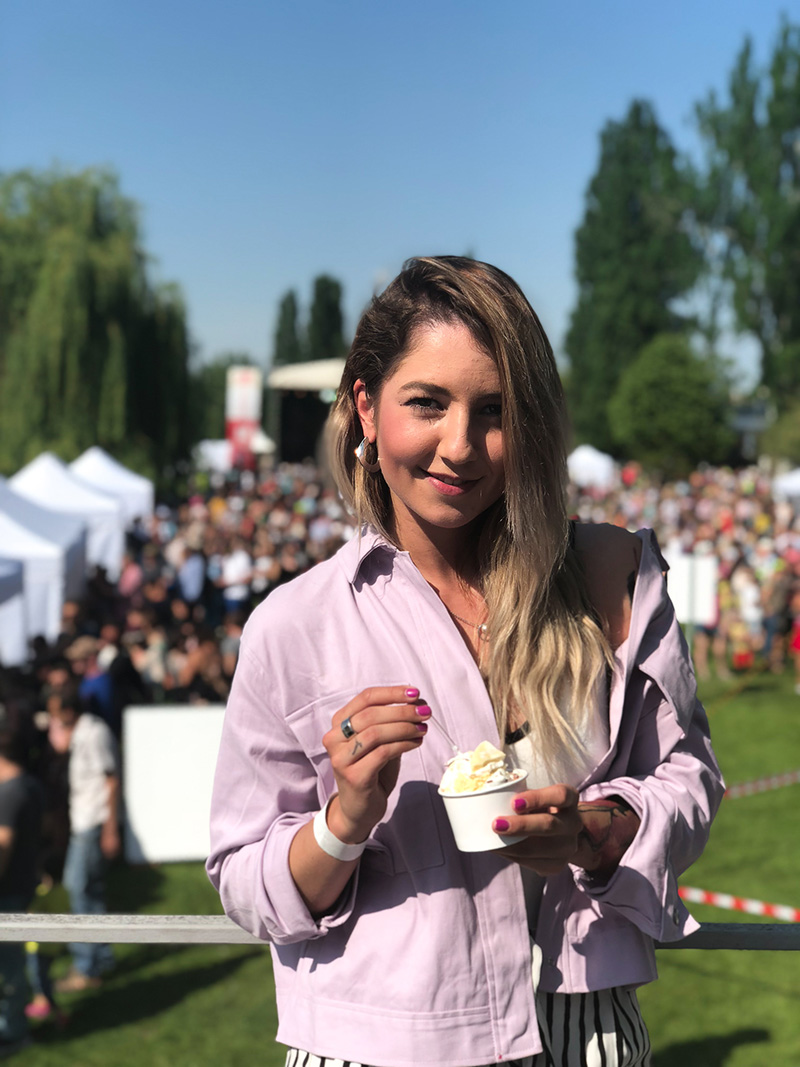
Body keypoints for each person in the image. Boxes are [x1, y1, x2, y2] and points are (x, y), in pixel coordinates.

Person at [207, 257, 724, 1067]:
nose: (460, 446)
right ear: (366, 407)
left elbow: (689, 777)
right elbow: (243, 876)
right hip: (377, 1044)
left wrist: (593, 831)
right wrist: (345, 819)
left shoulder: (614, 577)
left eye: (494, 410)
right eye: (427, 403)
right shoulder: (297, 624)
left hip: (581, 1028)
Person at [47, 687, 120, 992]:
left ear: (68, 710)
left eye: (55, 712)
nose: (51, 718)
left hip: (93, 822)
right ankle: (101, 958)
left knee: (78, 887)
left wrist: (110, 829)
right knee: (91, 891)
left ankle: (86, 966)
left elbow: (111, 779)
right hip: (83, 821)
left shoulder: (94, 732)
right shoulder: (80, 732)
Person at [0, 702, 43, 1056]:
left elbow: (3, 847)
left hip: (9, 890)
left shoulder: (10, 791)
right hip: (24, 882)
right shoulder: (30, 784)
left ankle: (13, 1032)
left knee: (9, 966)